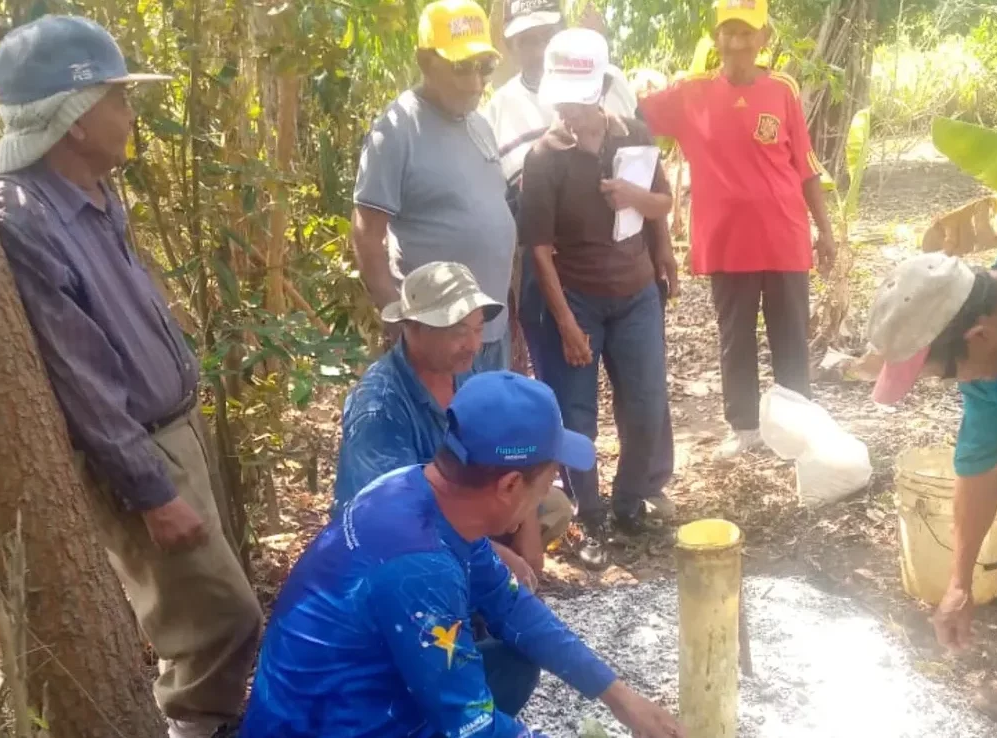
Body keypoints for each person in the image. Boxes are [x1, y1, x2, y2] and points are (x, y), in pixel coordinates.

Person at [0, 16, 262, 738]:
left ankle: (209, 720)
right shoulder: (22, 217)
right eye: (118, 99)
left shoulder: (99, 194)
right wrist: (151, 490)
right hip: (143, 450)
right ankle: (195, 727)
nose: (130, 115)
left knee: (211, 610)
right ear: (74, 119)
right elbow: (79, 376)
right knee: (217, 620)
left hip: (178, 430)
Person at [239, 371, 688, 738]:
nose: (548, 494)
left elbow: (512, 606)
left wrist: (621, 698)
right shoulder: (419, 570)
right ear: (510, 485)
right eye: (548, 479)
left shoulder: (417, 490)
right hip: (327, 725)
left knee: (513, 664)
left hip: (353, 698)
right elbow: (472, 730)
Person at [637, 0, 836, 459]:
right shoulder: (691, 93)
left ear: (764, 38)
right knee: (735, 335)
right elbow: (633, 115)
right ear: (716, 36)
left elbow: (805, 167)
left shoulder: (783, 90)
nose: (737, 42)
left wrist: (824, 232)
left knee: (790, 334)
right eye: (728, 31)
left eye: (747, 32)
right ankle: (744, 428)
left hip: (784, 236)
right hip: (727, 241)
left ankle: (797, 427)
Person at [866, 240, 997, 723]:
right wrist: (960, 583)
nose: (953, 384)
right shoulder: (990, 366)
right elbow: (979, 467)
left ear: (980, 336)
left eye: (944, 374)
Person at [519, 28, 675, 570]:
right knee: (577, 417)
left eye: (583, 98)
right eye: (565, 98)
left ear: (603, 88)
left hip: (635, 296)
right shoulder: (545, 156)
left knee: (647, 402)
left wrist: (647, 219)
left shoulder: (633, 135)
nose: (573, 110)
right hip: (579, 297)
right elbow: (539, 249)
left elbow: (662, 202)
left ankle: (629, 503)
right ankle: (589, 513)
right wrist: (564, 322)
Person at [333, 261, 573, 584]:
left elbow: (509, 446)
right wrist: (493, 557)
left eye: (477, 329)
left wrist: (527, 525)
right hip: (405, 540)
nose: (473, 345)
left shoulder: (464, 369)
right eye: (459, 333)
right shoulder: (378, 409)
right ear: (413, 328)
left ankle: (478, 583)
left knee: (550, 503)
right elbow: (393, 517)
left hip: (466, 509)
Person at [353, 0, 515, 371]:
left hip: (492, 335)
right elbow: (366, 236)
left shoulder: (480, 124)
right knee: (444, 430)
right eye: (461, 68)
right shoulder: (396, 130)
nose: (476, 83)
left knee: (490, 430)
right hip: (440, 346)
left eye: (484, 67)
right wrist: (398, 322)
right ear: (426, 62)